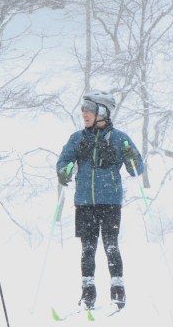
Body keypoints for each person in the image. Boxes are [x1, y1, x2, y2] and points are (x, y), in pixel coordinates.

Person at [55, 91, 145, 310]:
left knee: (111, 246)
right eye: (83, 107)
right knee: (87, 248)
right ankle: (88, 293)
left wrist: (129, 154)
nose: (84, 112)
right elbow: (63, 163)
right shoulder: (78, 138)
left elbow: (136, 169)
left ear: (102, 111)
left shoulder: (119, 138)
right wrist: (64, 170)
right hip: (84, 202)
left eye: (89, 108)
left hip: (110, 201)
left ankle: (118, 290)